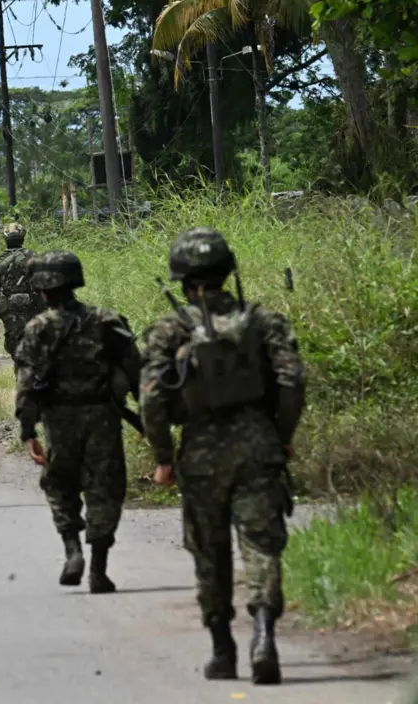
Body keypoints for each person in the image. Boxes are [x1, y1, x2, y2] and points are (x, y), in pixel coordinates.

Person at [140, 227, 305, 685]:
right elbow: (292, 380)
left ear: (182, 279)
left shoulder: (169, 329)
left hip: (200, 450)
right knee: (260, 542)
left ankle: (222, 649)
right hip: (258, 442)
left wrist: (163, 457)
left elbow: (151, 397)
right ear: (228, 272)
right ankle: (264, 635)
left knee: (208, 549)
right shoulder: (263, 321)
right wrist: (283, 435)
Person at [13, 251, 141, 593]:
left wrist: (27, 430)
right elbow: (135, 371)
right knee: (104, 488)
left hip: (59, 419)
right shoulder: (106, 320)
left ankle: (72, 550)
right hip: (103, 416)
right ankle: (99, 568)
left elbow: (26, 383)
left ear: (42, 288)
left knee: (59, 485)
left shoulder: (36, 329)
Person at [0, 223, 41, 368]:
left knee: (16, 347)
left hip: (10, 312)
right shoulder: (33, 257)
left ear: (5, 238)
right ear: (23, 237)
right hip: (33, 308)